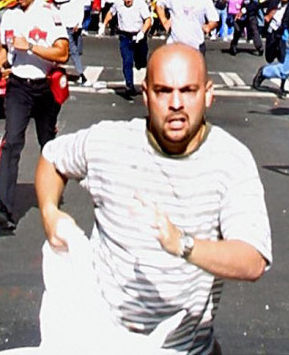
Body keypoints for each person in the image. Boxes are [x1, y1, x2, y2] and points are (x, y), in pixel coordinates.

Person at [35, 42, 271, 353]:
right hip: (101, 340)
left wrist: (183, 245)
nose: (176, 103)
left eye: (188, 90)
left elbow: (252, 259)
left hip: (185, 347)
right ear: (146, 95)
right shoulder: (109, 142)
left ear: (208, 94)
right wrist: (50, 213)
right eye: (163, 91)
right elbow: (52, 159)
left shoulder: (230, 161)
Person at [0, 0, 69, 235]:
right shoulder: (10, 16)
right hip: (19, 87)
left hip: (45, 87)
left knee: (48, 145)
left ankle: (54, 195)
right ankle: (4, 210)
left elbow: (63, 53)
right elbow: (5, 49)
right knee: (11, 142)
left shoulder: (49, 14)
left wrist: (32, 47)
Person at [101, 0, 152, 98]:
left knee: (141, 61)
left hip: (139, 35)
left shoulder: (140, 4)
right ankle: (129, 86)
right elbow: (110, 13)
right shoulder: (118, 4)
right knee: (127, 61)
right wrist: (103, 24)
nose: (128, 0)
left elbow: (148, 20)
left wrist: (142, 32)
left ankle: (140, 64)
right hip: (125, 36)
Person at [155, 0, 219, 52]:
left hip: (196, 46)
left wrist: (209, 26)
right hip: (174, 45)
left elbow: (214, 19)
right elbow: (159, 5)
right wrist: (164, 20)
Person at [57, 0, 88, 85]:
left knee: (77, 51)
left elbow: (81, 13)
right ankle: (82, 75)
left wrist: (78, 24)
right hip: (66, 29)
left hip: (76, 29)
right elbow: (60, 15)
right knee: (73, 51)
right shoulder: (63, 1)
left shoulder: (78, 1)